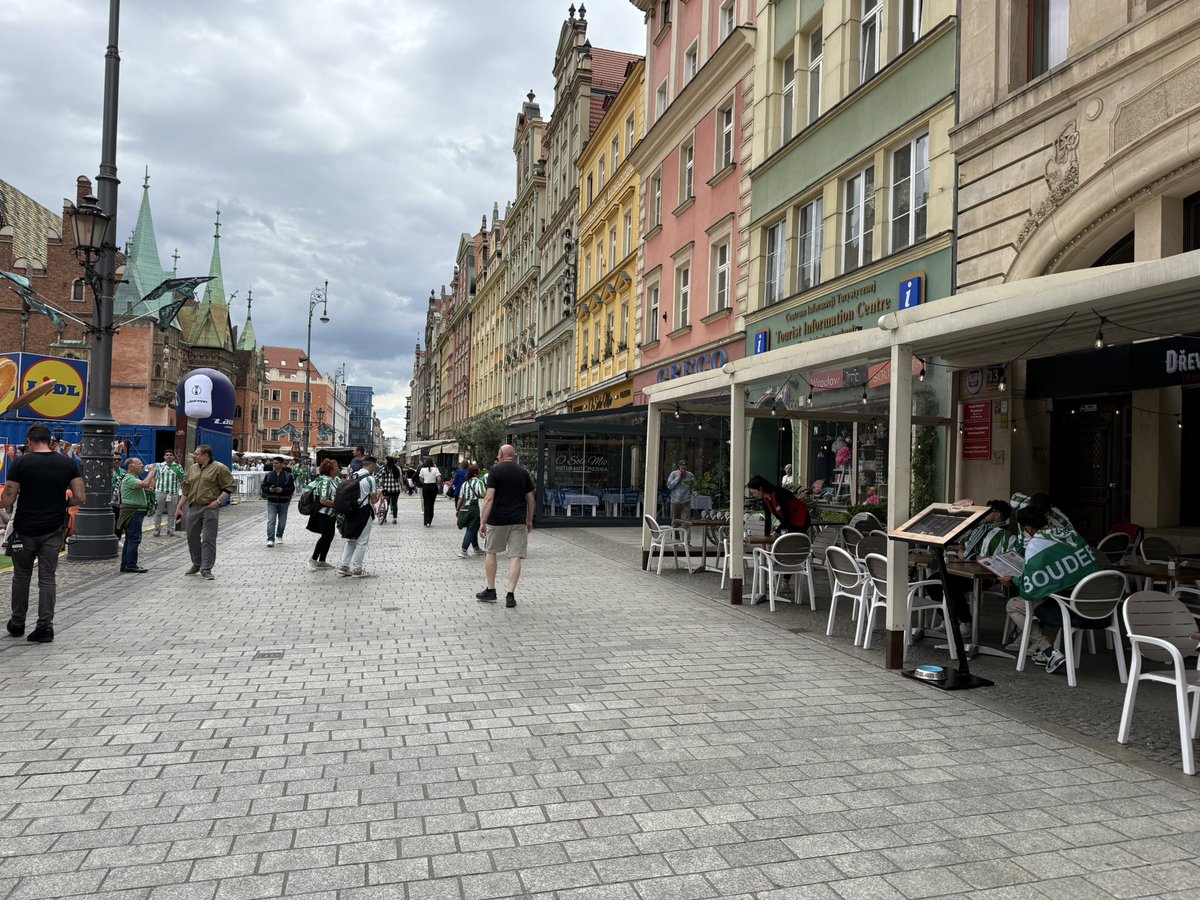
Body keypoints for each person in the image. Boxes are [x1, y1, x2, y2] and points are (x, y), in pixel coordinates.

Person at [1, 424, 86, 643]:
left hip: (24, 529)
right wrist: (63, 502)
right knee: (47, 578)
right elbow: (80, 497)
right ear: (50, 441)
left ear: (29, 441)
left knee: (21, 576)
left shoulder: (20, 463)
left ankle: (17, 622)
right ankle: (45, 627)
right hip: (53, 529)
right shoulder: (67, 463)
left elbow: (7, 499)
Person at [1002, 505, 1098, 673]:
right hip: (1096, 606)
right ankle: (1041, 652)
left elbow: (1029, 590)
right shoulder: (1073, 535)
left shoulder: (1037, 543)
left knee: (1013, 604)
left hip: (1067, 608)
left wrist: (1013, 579)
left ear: (1029, 528)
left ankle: (1047, 650)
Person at [475, 445, 535, 608]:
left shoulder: (494, 471)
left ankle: (491, 589)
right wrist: (529, 520)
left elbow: (489, 498)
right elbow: (530, 499)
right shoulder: (523, 473)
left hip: (497, 520)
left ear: (501, 455)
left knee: (491, 552)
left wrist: (483, 521)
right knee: (515, 556)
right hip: (518, 520)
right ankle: (510, 594)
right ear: (513, 456)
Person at [175, 444, 237, 581]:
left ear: (206, 455)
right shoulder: (192, 469)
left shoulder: (219, 468)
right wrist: (179, 507)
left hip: (210, 507)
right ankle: (196, 563)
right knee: (192, 537)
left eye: (197, 454)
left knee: (208, 539)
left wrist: (218, 501)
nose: (194, 456)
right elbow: (186, 489)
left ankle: (206, 568)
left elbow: (230, 486)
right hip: (193, 507)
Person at [337, 456, 380, 578]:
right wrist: (379, 495)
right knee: (362, 541)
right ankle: (357, 569)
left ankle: (344, 566)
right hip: (363, 511)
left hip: (351, 510)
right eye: (374, 467)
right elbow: (373, 499)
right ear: (371, 465)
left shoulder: (353, 475)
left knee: (351, 540)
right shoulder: (370, 479)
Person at [116, 457, 157, 573]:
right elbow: (145, 483)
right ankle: (131, 565)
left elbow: (149, 485)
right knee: (134, 538)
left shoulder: (134, 478)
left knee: (130, 539)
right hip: (133, 512)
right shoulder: (129, 478)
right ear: (131, 467)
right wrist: (151, 471)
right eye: (139, 464)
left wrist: (152, 474)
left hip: (136, 511)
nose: (142, 465)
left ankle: (126, 564)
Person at [306, 458, 341, 571]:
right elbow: (323, 500)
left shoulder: (333, 480)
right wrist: (338, 505)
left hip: (330, 514)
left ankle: (322, 561)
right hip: (323, 513)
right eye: (336, 467)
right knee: (326, 536)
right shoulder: (326, 482)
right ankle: (313, 560)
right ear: (330, 470)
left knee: (329, 536)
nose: (338, 469)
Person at [262, 457, 295, 547]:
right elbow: (263, 487)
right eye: (273, 463)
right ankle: (270, 539)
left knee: (282, 521)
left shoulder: (288, 475)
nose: (274, 464)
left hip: (284, 501)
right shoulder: (269, 475)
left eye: (276, 463)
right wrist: (269, 489)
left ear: (281, 464)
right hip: (272, 501)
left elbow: (292, 488)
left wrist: (282, 490)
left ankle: (279, 535)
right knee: (271, 520)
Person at [151, 450, 184, 537]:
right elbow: (154, 478)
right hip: (160, 492)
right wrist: (152, 488)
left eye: (171, 455)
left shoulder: (178, 467)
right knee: (158, 512)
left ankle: (170, 530)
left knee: (172, 513)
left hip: (173, 493)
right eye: (167, 455)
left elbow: (182, 480)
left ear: (173, 457)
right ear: (164, 457)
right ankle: (157, 530)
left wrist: (182, 492)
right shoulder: (159, 466)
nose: (169, 456)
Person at [457, 464, 486, 558]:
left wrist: (458, 510)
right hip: (475, 508)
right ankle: (463, 550)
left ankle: (476, 548)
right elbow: (482, 494)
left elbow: (460, 498)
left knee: (472, 528)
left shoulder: (465, 484)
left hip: (465, 508)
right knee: (471, 529)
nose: (480, 473)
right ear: (476, 473)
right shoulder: (479, 482)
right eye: (479, 472)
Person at [377, 457, 403, 524]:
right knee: (394, 504)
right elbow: (399, 478)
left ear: (388, 461)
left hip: (387, 490)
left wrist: (380, 482)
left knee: (386, 504)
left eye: (385, 460)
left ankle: (384, 518)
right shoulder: (396, 469)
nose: (384, 461)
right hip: (395, 490)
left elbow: (377, 477)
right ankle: (394, 518)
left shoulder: (384, 469)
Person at [418, 457, 442, 527]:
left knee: (426, 504)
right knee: (431, 504)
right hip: (433, 487)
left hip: (426, 486)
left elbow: (421, 479)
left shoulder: (422, 469)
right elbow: (439, 479)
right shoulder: (435, 469)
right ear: (432, 462)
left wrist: (424, 483)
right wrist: (437, 483)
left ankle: (426, 521)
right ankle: (430, 520)